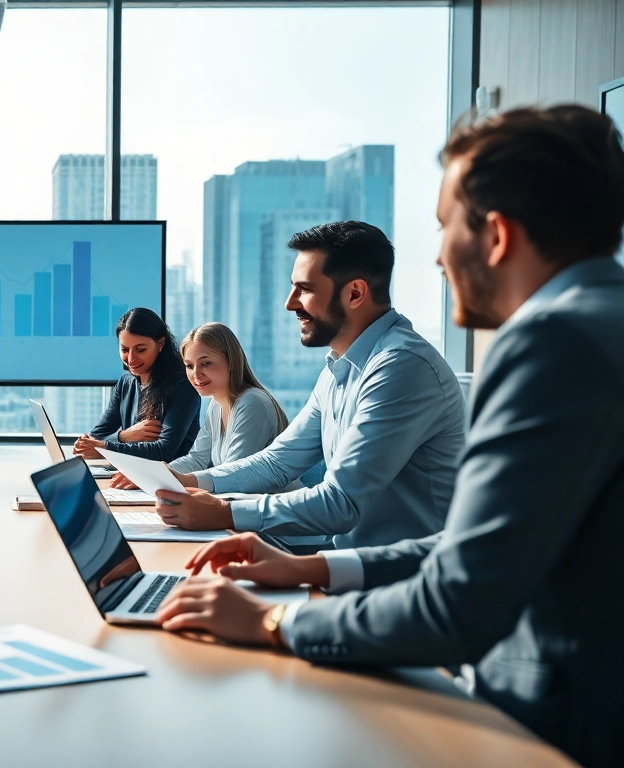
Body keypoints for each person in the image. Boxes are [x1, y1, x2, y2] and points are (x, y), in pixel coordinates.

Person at [156, 105, 624, 768]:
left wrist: (273, 619)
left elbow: (460, 599)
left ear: (496, 235)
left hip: (556, 724)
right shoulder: (598, 323)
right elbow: (480, 547)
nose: (437, 256)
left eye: (445, 227)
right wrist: (311, 568)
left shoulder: (552, 343)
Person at [153, 221, 465, 551]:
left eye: (304, 289)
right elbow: (278, 461)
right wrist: (189, 482)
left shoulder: (401, 367)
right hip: (346, 558)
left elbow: (341, 502)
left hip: (401, 571)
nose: (290, 303)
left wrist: (225, 512)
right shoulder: (337, 369)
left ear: (354, 294)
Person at [110, 322, 291, 489]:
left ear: (231, 362)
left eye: (206, 363)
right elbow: (197, 459)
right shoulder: (216, 404)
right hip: (238, 503)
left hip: (268, 509)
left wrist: (163, 477)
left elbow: (233, 474)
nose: (196, 374)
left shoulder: (252, 402)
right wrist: (153, 474)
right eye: (189, 366)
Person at [73, 307, 201, 462]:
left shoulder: (183, 386)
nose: (131, 359)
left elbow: (164, 451)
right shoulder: (125, 384)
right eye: (124, 349)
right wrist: (124, 436)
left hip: (172, 474)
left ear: (160, 343)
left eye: (140, 350)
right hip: (133, 471)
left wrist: (105, 448)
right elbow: (96, 436)